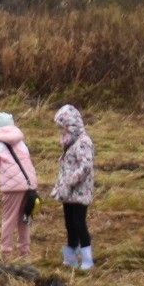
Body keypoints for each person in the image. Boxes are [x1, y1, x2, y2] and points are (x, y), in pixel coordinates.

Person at [0, 112, 38, 261]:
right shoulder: (21, 140)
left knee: (9, 219)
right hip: (29, 185)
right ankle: (25, 254)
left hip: (11, 187)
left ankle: (5, 254)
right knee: (25, 219)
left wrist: (2, 170)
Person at [51, 104, 96, 271]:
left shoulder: (84, 142)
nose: (61, 130)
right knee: (69, 223)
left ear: (70, 125)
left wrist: (70, 180)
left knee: (79, 223)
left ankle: (87, 260)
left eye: (62, 127)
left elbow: (85, 167)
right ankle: (70, 258)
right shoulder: (70, 141)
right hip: (68, 192)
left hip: (79, 191)